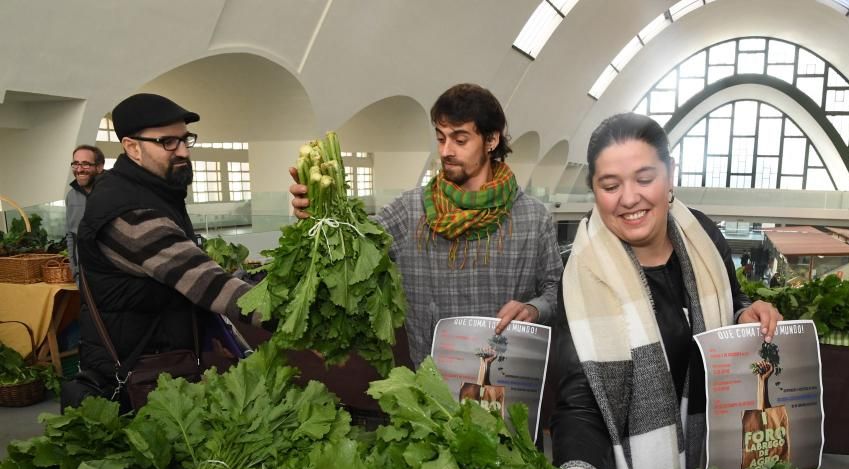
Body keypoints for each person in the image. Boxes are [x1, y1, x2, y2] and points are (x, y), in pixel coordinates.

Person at [551, 113, 782, 469]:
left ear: (670, 174)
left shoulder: (703, 238)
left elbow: (730, 305)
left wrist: (747, 314)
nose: (629, 198)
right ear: (594, 190)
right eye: (610, 185)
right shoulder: (581, 276)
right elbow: (581, 399)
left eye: (644, 179)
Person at [290, 83, 562, 364]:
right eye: (441, 138)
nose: (446, 151)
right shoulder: (411, 211)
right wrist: (319, 213)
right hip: (432, 386)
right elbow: (353, 246)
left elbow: (555, 290)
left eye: (460, 139)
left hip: (502, 381)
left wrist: (534, 308)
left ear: (491, 140)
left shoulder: (532, 217)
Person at [72, 93, 263, 409]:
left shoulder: (154, 191)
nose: (184, 151)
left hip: (162, 365)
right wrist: (293, 316)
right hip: (136, 377)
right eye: (168, 142)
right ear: (132, 147)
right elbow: (207, 284)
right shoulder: (126, 211)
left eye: (186, 140)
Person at [65, 144, 105, 280]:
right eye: (76, 164)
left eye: (86, 164)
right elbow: (71, 234)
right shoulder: (71, 196)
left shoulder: (114, 192)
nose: (80, 169)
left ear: (99, 167)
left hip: (112, 273)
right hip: (83, 274)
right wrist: (74, 268)